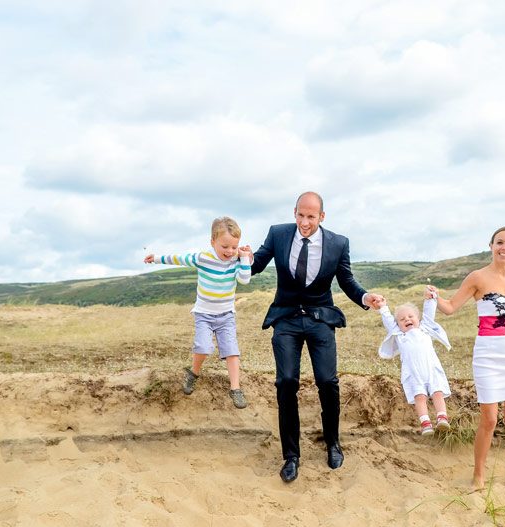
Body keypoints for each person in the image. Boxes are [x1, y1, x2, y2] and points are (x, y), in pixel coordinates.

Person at [251, 192, 383, 482]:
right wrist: (239, 259)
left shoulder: (338, 243)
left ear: (321, 217)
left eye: (311, 216)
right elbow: (255, 264)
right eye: (300, 215)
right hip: (285, 318)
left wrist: (365, 296)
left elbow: (346, 280)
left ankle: (333, 443)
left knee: (327, 381)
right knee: (286, 381)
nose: (304, 222)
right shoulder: (278, 234)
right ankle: (291, 456)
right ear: (294, 212)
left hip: (320, 318)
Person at [429, 226, 505, 489]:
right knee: (489, 418)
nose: (504, 248)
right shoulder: (477, 277)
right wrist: (435, 296)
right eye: (499, 243)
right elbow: (450, 308)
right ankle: (478, 476)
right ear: (491, 245)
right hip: (487, 355)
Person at [144, 216, 252, 409]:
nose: (229, 251)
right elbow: (179, 259)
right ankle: (194, 372)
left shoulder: (237, 260)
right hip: (204, 315)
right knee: (202, 346)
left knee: (231, 351)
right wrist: (156, 258)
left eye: (234, 247)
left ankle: (236, 388)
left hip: (226, 315)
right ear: (213, 243)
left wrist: (244, 258)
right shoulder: (203, 258)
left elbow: (244, 280)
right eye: (225, 246)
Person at [375, 289, 452, 436]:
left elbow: (429, 314)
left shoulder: (424, 328)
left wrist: (429, 299)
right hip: (413, 372)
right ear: (398, 324)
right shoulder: (400, 335)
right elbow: (389, 322)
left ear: (418, 319)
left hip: (431, 368)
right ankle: (426, 424)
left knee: (438, 392)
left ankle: (442, 417)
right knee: (420, 397)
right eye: (402, 319)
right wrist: (383, 308)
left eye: (410, 316)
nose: (407, 320)